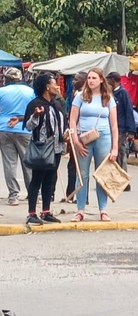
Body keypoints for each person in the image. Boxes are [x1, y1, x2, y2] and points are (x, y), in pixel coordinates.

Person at [69, 68, 120, 222]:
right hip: (84, 138)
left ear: (101, 80)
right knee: (82, 174)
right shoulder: (80, 97)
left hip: (103, 137)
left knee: (102, 174)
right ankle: (80, 209)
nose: (90, 81)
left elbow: (114, 125)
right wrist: (75, 141)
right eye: (89, 78)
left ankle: (103, 209)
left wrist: (115, 147)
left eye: (94, 78)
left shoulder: (108, 98)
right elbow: (72, 120)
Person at [22, 73, 66, 225]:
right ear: (47, 86)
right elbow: (28, 126)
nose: (57, 86)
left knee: (50, 180)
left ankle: (46, 211)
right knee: (37, 179)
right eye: (55, 83)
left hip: (56, 148)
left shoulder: (56, 104)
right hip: (41, 147)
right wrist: (35, 116)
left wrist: (65, 134)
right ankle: (31, 213)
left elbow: (60, 124)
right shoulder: (35, 105)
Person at [0, 67, 34, 206]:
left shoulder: (1, 91)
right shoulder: (30, 91)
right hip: (25, 128)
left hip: (4, 128)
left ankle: (13, 196)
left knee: (9, 163)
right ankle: (33, 194)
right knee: (28, 163)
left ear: (7, 79)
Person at [106, 72, 136, 189]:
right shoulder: (110, 94)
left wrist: (131, 131)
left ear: (113, 80)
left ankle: (124, 182)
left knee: (120, 153)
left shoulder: (123, 94)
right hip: (110, 128)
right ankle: (113, 180)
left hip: (121, 129)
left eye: (108, 79)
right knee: (112, 155)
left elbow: (129, 111)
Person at [65, 71, 87, 201]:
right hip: (76, 132)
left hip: (78, 134)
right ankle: (71, 194)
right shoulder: (77, 94)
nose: (74, 81)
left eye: (77, 79)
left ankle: (74, 195)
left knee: (76, 166)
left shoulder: (80, 95)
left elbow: (75, 117)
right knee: (74, 165)